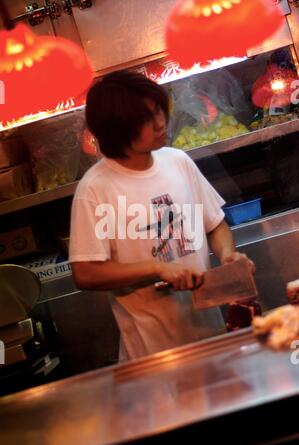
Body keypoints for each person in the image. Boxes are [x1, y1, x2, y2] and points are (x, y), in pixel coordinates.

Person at [69, 70, 254, 361]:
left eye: (158, 111)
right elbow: (86, 272)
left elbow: (214, 223)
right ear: (117, 130)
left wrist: (228, 256)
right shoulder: (95, 188)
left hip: (211, 338)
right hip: (151, 353)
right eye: (145, 119)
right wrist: (156, 268)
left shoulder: (177, 161)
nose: (159, 123)